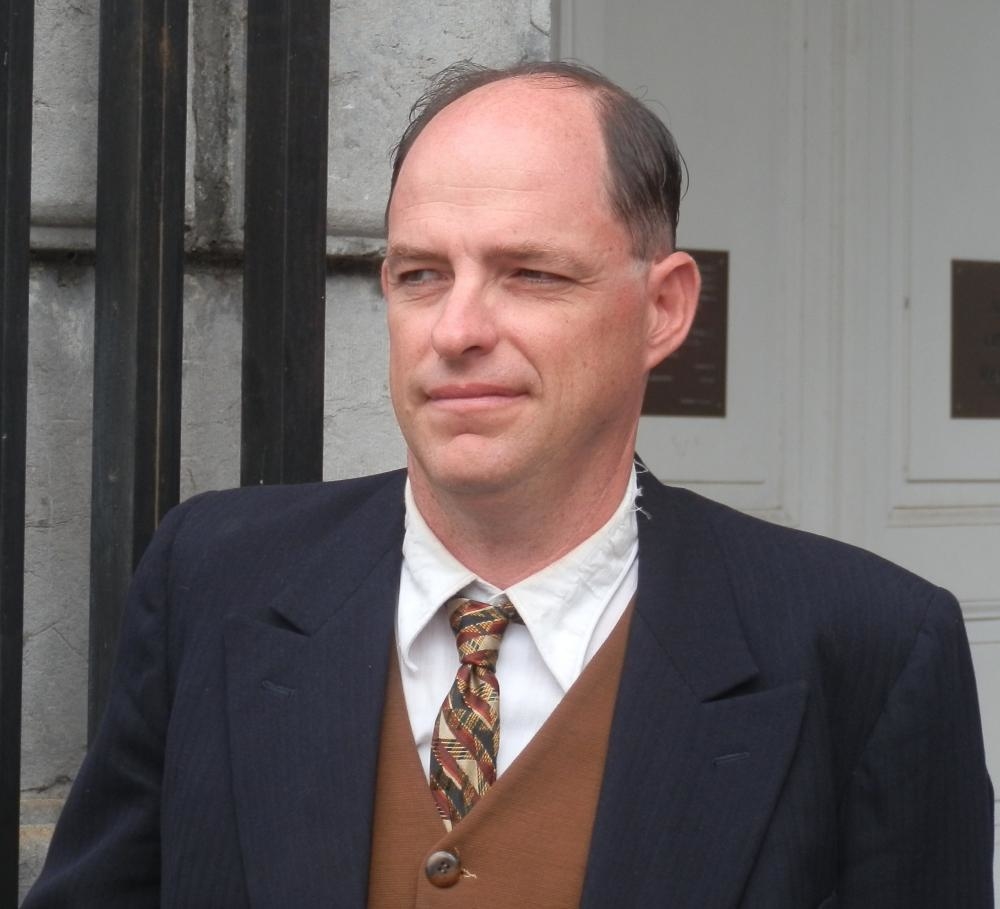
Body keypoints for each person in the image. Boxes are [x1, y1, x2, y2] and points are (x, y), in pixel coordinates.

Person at [25, 61, 994, 908]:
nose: (456, 330)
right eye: (420, 274)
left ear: (663, 309)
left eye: (529, 273)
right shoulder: (214, 578)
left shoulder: (869, 650)